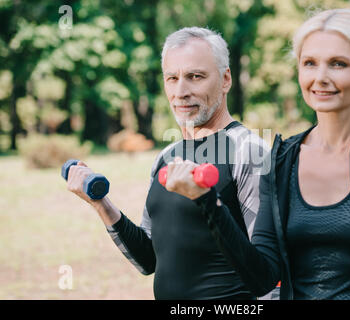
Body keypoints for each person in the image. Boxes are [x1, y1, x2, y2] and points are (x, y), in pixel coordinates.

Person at [167, 9, 350, 299]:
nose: (320, 77)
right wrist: (208, 200)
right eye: (310, 63)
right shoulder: (282, 161)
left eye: (338, 64)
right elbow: (262, 278)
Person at [65, 27, 272, 299]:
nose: (180, 91)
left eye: (195, 77)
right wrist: (100, 203)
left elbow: (269, 276)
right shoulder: (166, 157)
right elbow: (148, 260)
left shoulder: (248, 152)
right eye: (172, 78)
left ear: (225, 79)